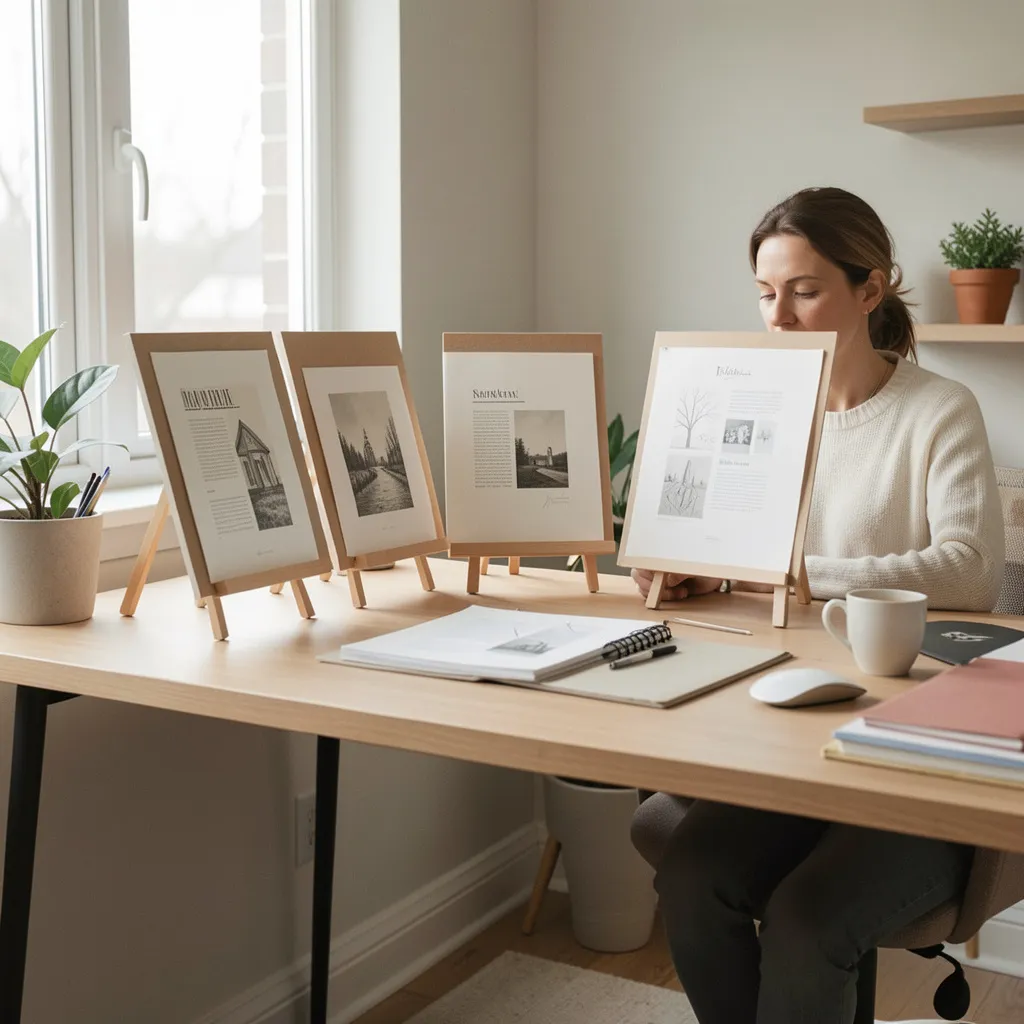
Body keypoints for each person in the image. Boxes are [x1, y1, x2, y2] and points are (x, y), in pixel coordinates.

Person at [634, 187, 1006, 1024]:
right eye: (766, 294)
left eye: (805, 290)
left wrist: (794, 568)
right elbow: (738, 559)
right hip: (783, 740)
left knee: (807, 921)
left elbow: (973, 571)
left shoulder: (939, 409)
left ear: (870, 290)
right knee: (691, 880)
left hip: (914, 753)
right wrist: (693, 567)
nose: (780, 316)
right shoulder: (752, 416)